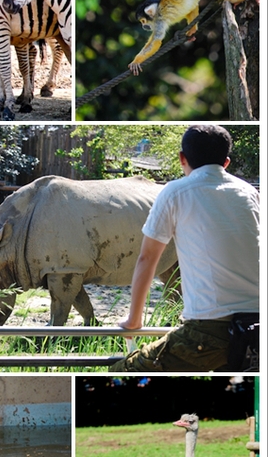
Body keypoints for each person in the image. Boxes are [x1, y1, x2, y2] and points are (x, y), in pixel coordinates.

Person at [110, 125, 259, 372]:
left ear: (182, 158)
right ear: (227, 162)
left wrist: (134, 320)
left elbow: (147, 258)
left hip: (209, 330)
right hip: (258, 328)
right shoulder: (249, 192)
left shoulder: (175, 191)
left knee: (122, 371)